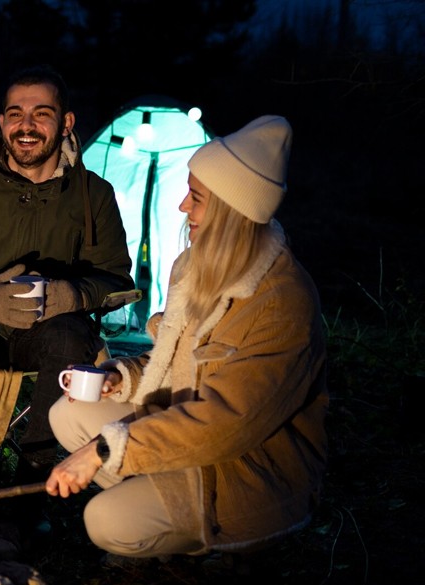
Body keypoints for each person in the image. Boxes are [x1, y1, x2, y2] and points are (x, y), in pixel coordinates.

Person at [46, 115, 328, 559]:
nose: (182, 207)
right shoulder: (195, 266)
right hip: (186, 433)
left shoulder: (282, 302)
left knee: (104, 520)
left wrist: (103, 451)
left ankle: (204, 541)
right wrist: (122, 379)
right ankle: (152, 493)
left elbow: (226, 423)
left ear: (231, 212)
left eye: (195, 198)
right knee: (67, 413)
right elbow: (173, 360)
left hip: (242, 470)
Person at [0, 65, 134, 492]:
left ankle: (35, 476)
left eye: (41, 113)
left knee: (70, 336)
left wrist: (73, 295)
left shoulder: (94, 194)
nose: (26, 126)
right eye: (15, 114)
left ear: (66, 123)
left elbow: (117, 281)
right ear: (2, 122)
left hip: (52, 332)